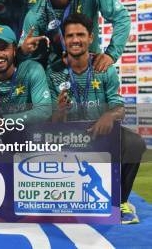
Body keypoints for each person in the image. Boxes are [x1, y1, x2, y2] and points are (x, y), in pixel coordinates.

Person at [46, 13, 145, 224]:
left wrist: (109, 115)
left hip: (100, 134)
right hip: (67, 139)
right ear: (64, 39)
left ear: (90, 37)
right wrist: (59, 112)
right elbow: (48, 122)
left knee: (135, 143)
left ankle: (121, 202)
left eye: (80, 34)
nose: (75, 40)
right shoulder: (53, 73)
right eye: (70, 35)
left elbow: (119, 107)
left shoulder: (103, 68)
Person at [20, 0, 130, 71]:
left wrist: (111, 54)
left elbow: (122, 18)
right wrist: (24, 51)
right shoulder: (36, 13)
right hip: (57, 72)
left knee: (109, 73)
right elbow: (28, 58)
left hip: (91, 66)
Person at [0, 25, 51, 124]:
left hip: (26, 134)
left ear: (14, 50)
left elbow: (44, 112)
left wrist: (3, 121)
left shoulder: (32, 70)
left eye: (4, 48)